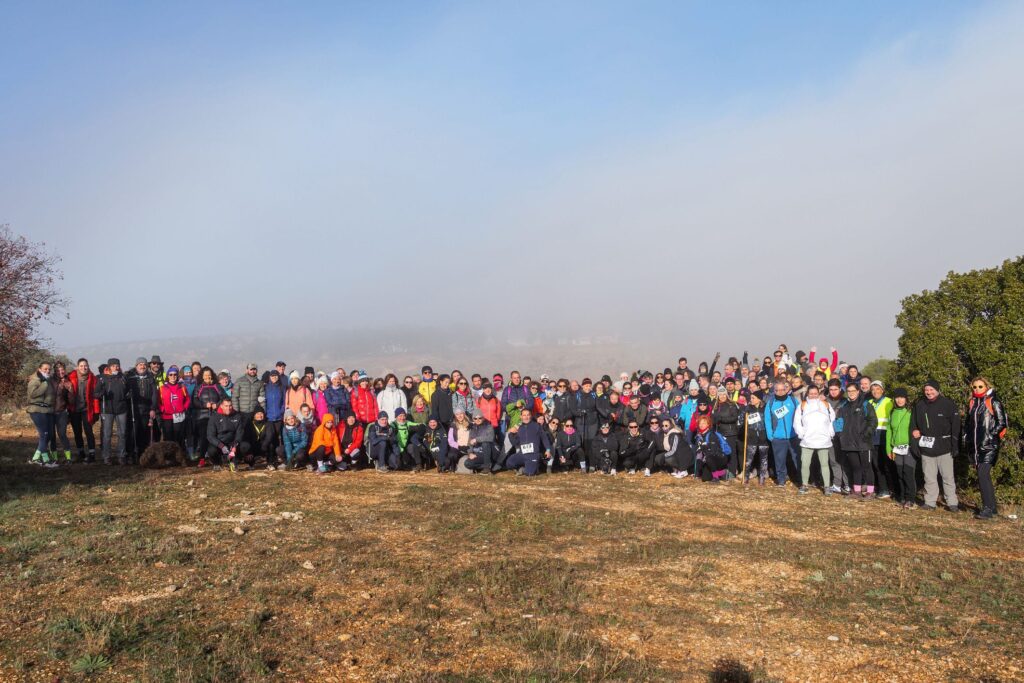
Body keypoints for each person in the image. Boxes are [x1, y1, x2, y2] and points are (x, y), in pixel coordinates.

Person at [911, 379, 960, 512]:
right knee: (929, 477)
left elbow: (956, 426)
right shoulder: (919, 405)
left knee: (948, 477)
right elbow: (913, 424)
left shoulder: (948, 404)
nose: (929, 392)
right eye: (926, 390)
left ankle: (952, 503)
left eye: (931, 389)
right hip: (926, 447)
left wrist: (955, 445)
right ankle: (930, 502)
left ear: (937, 390)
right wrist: (914, 434)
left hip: (944, 447)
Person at [963, 377, 1006, 519]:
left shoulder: (993, 401)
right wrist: (966, 436)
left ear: (986, 386)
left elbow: (1002, 423)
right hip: (975, 446)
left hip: (989, 446)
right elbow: (968, 423)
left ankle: (987, 508)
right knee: (984, 476)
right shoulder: (972, 403)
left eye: (980, 386)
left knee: (982, 475)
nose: (976, 389)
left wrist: (991, 435)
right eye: (974, 387)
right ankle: (992, 508)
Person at [836, 383, 878, 499]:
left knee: (867, 467)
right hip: (849, 442)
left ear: (858, 391)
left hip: (864, 442)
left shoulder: (865, 404)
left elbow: (873, 421)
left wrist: (866, 434)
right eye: (849, 391)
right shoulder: (844, 405)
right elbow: (839, 421)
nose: (851, 393)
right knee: (856, 467)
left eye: (853, 391)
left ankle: (870, 491)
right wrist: (840, 434)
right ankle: (857, 491)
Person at [793, 385, 835, 495]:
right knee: (805, 463)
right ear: (807, 394)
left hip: (823, 439)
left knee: (824, 463)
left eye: (815, 393)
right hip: (807, 440)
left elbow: (832, 420)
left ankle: (826, 486)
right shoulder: (802, 405)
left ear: (818, 393)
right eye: (811, 393)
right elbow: (797, 422)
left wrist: (830, 433)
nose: (813, 395)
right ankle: (804, 485)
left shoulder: (825, 404)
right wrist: (802, 434)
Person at [94, 358, 131, 466]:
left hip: (122, 409)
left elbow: (128, 390)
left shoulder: (123, 378)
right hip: (107, 410)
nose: (116, 367)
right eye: (114, 365)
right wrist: (102, 394)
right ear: (109, 367)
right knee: (107, 434)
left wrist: (129, 394)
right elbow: (95, 393)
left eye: (117, 365)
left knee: (122, 433)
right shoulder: (103, 379)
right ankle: (106, 456)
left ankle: (122, 456)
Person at [764, 379, 800, 488]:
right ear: (774, 391)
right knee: (780, 460)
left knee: (797, 459)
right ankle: (781, 480)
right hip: (778, 438)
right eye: (777, 390)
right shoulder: (770, 403)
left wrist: (799, 432)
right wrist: (771, 435)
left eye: (782, 390)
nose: (780, 392)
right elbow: (767, 419)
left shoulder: (793, 401)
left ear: (786, 390)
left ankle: (800, 480)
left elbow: (801, 417)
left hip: (793, 436)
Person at [125, 357, 159, 463]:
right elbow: (125, 392)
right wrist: (128, 395)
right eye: (140, 364)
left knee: (144, 433)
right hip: (133, 409)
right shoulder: (130, 378)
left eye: (144, 364)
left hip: (146, 409)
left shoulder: (150, 378)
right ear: (136, 366)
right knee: (132, 433)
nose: (142, 366)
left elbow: (154, 395)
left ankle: (142, 455)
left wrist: (153, 408)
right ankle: (131, 454)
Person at [886, 388, 915, 509]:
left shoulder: (910, 411)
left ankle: (910, 499)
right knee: (899, 473)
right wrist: (888, 448)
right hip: (896, 448)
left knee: (908, 473)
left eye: (902, 397)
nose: (899, 400)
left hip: (909, 447)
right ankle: (902, 497)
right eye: (897, 397)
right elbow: (889, 431)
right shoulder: (892, 412)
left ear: (906, 398)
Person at [26, 361, 58, 467]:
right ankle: (45, 460)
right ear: (39, 369)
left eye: (49, 369)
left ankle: (35, 458)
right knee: (43, 435)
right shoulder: (35, 380)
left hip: (47, 411)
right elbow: (32, 395)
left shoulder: (48, 380)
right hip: (37, 410)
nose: (47, 371)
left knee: (49, 435)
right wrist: (44, 384)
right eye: (45, 369)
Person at [67, 358, 99, 462]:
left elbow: (95, 396)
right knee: (77, 432)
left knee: (88, 431)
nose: (83, 368)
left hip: (87, 409)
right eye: (81, 366)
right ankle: (81, 452)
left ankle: (92, 453)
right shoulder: (71, 377)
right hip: (74, 409)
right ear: (77, 367)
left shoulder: (93, 378)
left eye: (85, 366)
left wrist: (96, 411)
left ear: (88, 366)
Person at [867, 381, 895, 499]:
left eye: (878, 389)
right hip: (873, 437)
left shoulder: (889, 401)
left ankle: (893, 489)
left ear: (882, 390)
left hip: (885, 436)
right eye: (873, 389)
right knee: (877, 465)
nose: (875, 391)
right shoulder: (869, 402)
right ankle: (883, 489)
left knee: (888, 465)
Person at [505, 408, 551, 476]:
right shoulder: (519, 428)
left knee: (530, 473)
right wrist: (511, 434)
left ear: (531, 416)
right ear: (521, 417)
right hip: (522, 454)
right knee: (509, 463)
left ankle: (529, 468)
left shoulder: (537, 426)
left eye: (528, 415)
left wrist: (548, 450)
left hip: (533, 454)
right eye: (524, 415)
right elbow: (515, 442)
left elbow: (544, 438)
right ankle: (523, 467)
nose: (526, 417)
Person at [158, 366, 191, 452]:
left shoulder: (182, 387)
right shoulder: (162, 388)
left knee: (179, 437)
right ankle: (169, 456)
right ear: (168, 376)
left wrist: (184, 408)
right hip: (167, 417)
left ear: (177, 376)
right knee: (168, 437)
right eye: (171, 375)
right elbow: (158, 401)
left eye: (175, 375)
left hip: (179, 416)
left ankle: (180, 455)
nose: (173, 376)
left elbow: (187, 399)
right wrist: (163, 409)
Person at [206, 397, 244, 471]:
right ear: (221, 406)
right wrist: (221, 445)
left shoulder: (237, 416)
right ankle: (217, 463)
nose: (228, 408)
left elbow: (240, 433)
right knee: (211, 450)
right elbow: (210, 436)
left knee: (244, 446)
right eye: (226, 406)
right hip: (219, 442)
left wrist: (235, 445)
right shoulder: (214, 417)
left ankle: (233, 462)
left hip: (232, 442)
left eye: (230, 406)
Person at [741, 390, 770, 485]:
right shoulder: (748, 408)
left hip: (763, 437)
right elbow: (741, 420)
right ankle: (746, 477)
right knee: (749, 459)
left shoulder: (766, 408)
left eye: (753, 398)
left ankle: (762, 478)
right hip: (751, 437)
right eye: (751, 398)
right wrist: (743, 415)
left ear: (759, 399)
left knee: (763, 459)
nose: (751, 399)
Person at [49, 361, 74, 462]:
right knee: (52, 436)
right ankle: (54, 458)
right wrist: (59, 385)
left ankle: (68, 457)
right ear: (55, 371)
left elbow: (71, 401)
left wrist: (70, 389)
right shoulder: (50, 380)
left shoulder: (68, 381)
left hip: (62, 412)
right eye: (58, 370)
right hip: (50, 412)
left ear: (65, 370)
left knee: (62, 434)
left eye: (62, 370)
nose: (60, 372)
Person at [712, 391, 741, 477]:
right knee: (723, 453)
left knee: (731, 453)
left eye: (724, 394)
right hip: (720, 433)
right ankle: (725, 471)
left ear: (727, 395)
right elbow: (714, 419)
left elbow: (734, 418)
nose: (722, 396)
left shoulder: (732, 405)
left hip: (730, 432)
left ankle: (732, 472)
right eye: (720, 394)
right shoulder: (716, 406)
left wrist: (721, 419)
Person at [239, 405, 277, 470]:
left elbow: (269, 436)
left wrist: (264, 446)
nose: (260, 415)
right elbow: (246, 438)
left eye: (261, 413)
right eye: (257, 413)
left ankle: (270, 463)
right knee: (245, 446)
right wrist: (249, 451)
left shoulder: (268, 423)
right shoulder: (250, 424)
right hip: (253, 446)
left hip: (264, 446)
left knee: (271, 444)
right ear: (254, 415)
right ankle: (251, 464)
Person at [264, 370, 286, 447]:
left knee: (277, 436)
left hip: (278, 416)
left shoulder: (282, 387)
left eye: (276, 376)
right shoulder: (266, 387)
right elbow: (264, 401)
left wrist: (282, 410)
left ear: (278, 377)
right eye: (272, 376)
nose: (274, 377)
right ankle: (270, 454)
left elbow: (284, 401)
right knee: (270, 435)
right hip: (269, 417)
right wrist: (265, 412)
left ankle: (277, 453)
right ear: (270, 377)